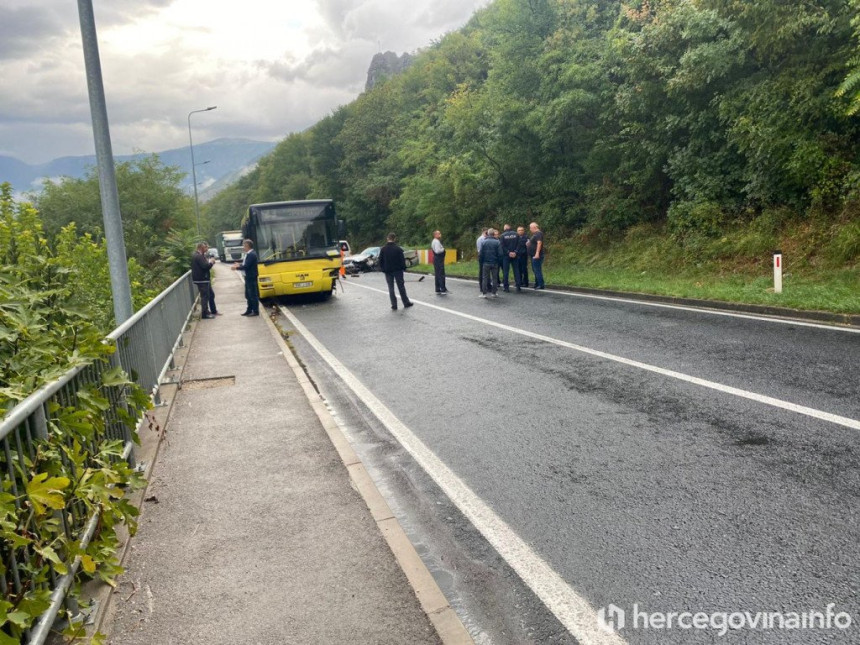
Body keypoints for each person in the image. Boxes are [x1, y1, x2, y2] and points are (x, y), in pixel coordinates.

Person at [378, 233, 413, 310]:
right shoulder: (398, 249)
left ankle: (394, 305)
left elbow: (380, 260)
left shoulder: (383, 249)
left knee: (391, 288)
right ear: (395, 239)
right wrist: (404, 268)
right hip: (397, 270)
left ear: (387, 238)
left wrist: (383, 269)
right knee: (401, 287)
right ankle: (406, 302)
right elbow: (402, 260)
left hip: (388, 271)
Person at [191, 242, 220, 319]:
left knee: (211, 295)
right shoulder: (199, 256)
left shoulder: (197, 255)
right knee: (205, 297)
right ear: (201, 248)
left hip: (203, 279)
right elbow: (205, 266)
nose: (207, 249)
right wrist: (212, 262)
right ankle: (205, 314)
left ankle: (212, 311)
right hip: (202, 280)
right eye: (205, 247)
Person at [231, 239, 259, 316]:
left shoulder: (252, 254)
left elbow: (246, 266)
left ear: (247, 246)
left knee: (253, 295)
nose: (243, 247)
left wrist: (236, 268)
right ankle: (249, 310)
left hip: (251, 277)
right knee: (248, 295)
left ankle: (255, 311)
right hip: (248, 277)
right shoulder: (249, 254)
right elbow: (245, 264)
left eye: (244, 245)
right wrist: (239, 264)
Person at [478, 228, 503, 297]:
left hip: (486, 262)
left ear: (488, 234)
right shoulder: (497, 242)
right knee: (494, 278)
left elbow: (481, 254)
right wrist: (498, 261)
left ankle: (484, 293)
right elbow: (500, 254)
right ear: (493, 234)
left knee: (485, 278)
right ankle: (494, 293)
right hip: (495, 263)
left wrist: (481, 261)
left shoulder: (484, 242)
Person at [499, 224, 520, 292]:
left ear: (505, 228)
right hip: (515, 255)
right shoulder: (516, 234)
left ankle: (506, 287)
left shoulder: (502, 235)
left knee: (505, 271)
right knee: (516, 270)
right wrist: (515, 252)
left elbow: (502, 246)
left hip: (506, 256)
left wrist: (508, 252)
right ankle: (518, 286)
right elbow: (519, 244)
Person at [528, 222, 545, 289]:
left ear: (534, 227)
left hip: (537, 255)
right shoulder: (535, 234)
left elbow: (539, 243)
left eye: (530, 228)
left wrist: (537, 253)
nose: (530, 229)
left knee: (537, 269)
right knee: (535, 269)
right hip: (533, 254)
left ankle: (541, 284)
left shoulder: (538, 233)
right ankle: (537, 283)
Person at [430, 230, 448, 294]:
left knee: (437, 274)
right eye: (439, 234)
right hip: (438, 259)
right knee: (441, 274)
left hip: (436, 259)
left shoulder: (434, 241)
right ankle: (442, 289)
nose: (440, 235)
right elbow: (438, 251)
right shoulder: (437, 242)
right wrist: (443, 249)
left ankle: (438, 289)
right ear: (435, 235)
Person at [476, 228, 488, 293]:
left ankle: (487, 286)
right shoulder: (480, 239)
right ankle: (481, 287)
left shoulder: (486, 239)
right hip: (482, 256)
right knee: (481, 272)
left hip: (487, 257)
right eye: (486, 232)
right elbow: (480, 249)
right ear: (484, 232)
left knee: (486, 272)